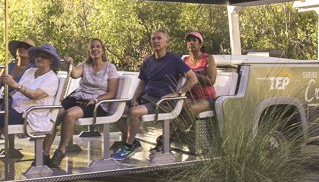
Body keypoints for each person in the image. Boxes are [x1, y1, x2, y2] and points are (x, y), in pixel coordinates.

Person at [0, 43, 62, 171]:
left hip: (31, 114)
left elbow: (35, 95)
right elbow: (16, 91)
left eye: (44, 56)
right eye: (38, 56)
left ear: (51, 60)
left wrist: (15, 85)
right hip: (17, 107)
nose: (39, 58)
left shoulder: (52, 79)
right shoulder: (30, 71)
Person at [115, 29, 198, 161]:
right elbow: (142, 83)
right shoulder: (148, 61)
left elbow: (193, 79)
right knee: (115, 109)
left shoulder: (174, 59)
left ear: (166, 42)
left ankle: (129, 145)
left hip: (162, 102)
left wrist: (178, 93)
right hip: (146, 98)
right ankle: (132, 140)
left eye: (159, 38)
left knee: (134, 112)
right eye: (153, 39)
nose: (155, 41)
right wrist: (135, 97)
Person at [45, 39, 120, 167]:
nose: (95, 49)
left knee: (70, 114)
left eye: (98, 47)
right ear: (88, 50)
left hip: (97, 103)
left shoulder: (110, 68)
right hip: (78, 97)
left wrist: (97, 100)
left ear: (102, 50)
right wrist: (70, 63)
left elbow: (112, 93)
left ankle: (61, 150)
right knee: (54, 116)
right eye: (92, 47)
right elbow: (74, 74)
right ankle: (44, 154)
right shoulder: (85, 65)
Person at [177, 31, 217, 142]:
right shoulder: (184, 60)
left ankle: (175, 135)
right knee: (173, 105)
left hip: (207, 98)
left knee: (192, 109)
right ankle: (179, 135)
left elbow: (211, 80)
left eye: (194, 40)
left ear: (200, 44)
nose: (191, 43)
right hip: (189, 96)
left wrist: (192, 74)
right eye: (188, 41)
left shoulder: (208, 58)